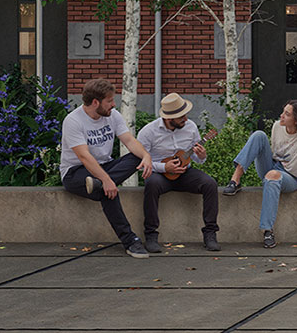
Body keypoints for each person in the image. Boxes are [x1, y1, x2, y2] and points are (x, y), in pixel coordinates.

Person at [58, 78, 154, 259]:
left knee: (136, 156)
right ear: (96, 102)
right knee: (107, 191)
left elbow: (129, 141)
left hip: (104, 167)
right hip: (76, 172)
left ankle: (98, 183)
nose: (113, 104)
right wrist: (107, 180)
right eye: (109, 101)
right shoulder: (73, 121)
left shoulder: (113, 115)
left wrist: (146, 156)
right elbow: (84, 157)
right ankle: (130, 241)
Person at [222, 101, 297, 248]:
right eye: (283, 111)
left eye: (287, 114)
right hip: (272, 166)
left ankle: (267, 230)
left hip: (290, 177)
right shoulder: (277, 126)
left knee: (273, 175)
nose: (281, 116)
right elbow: (273, 152)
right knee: (259, 135)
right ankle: (235, 181)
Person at [137, 92, 220, 252]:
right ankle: (151, 235)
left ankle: (210, 234)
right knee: (151, 184)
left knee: (210, 184)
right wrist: (164, 168)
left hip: (184, 174)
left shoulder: (191, 127)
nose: (186, 119)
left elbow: (194, 156)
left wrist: (201, 156)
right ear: (169, 119)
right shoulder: (148, 132)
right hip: (159, 174)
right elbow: (140, 163)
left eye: (185, 115)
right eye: (181, 117)